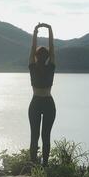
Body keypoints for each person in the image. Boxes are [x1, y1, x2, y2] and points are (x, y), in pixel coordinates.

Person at [28, 23, 56, 167]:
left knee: (36, 136)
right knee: (44, 137)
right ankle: (43, 165)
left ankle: (35, 165)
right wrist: (49, 29)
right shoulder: (50, 66)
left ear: (36, 56)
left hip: (37, 103)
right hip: (47, 103)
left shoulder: (33, 66)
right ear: (44, 56)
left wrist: (36, 32)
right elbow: (52, 48)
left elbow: (34, 49)